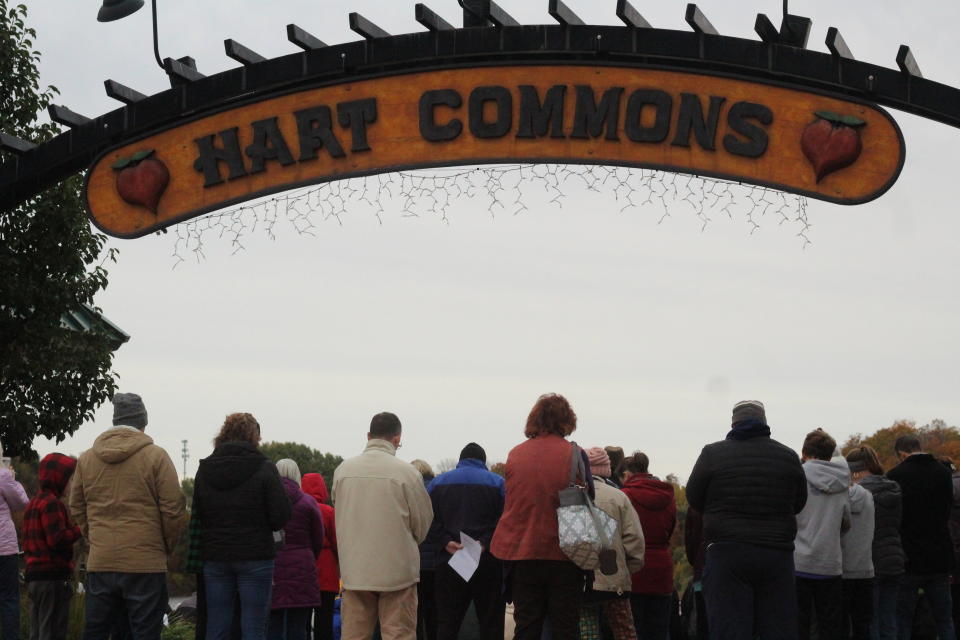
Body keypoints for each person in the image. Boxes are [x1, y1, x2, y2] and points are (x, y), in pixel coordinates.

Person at [69, 392, 187, 640]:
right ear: (143, 422)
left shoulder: (87, 459)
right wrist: (164, 545)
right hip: (145, 561)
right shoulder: (156, 456)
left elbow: (76, 505)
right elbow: (173, 509)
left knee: (97, 632)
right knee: (145, 632)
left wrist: (94, 537)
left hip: (101, 561)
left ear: (115, 421)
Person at [686, 400, 807, 640]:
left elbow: (693, 497)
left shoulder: (712, 454)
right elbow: (799, 503)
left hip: (727, 552)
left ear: (733, 423)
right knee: (777, 629)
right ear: (764, 423)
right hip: (776, 554)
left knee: (729, 628)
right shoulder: (787, 456)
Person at [490, 393, 594, 640]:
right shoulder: (576, 454)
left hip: (523, 551)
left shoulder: (516, 454)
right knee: (565, 627)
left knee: (526, 625)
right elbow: (590, 500)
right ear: (567, 421)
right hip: (566, 553)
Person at [333, 412, 433, 640]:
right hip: (397, 572)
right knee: (398, 635)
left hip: (355, 570)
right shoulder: (408, 474)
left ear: (368, 436)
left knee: (354, 635)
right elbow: (422, 525)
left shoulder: (343, 471)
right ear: (397, 439)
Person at [194, 412, 292, 640]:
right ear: (253, 436)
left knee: (217, 624)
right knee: (254, 627)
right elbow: (281, 516)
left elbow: (198, 512)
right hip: (255, 556)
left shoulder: (205, 469)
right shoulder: (265, 468)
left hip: (216, 556)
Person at [428, 443, 506, 640]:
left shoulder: (437, 483)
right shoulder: (498, 483)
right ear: (482, 461)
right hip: (487, 560)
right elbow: (505, 521)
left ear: (460, 461)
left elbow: (427, 519)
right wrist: (484, 543)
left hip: (449, 560)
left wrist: (445, 541)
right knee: (491, 622)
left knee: (447, 622)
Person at [887, 434, 956, 640]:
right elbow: (946, 511)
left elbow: (896, 518)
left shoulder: (895, 475)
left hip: (909, 558)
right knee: (944, 619)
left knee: (903, 619)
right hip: (939, 556)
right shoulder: (944, 473)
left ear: (902, 453)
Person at [579, 447, 645, 640]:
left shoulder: (571, 497)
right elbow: (634, 539)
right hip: (614, 578)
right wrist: (627, 568)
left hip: (582, 580)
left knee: (588, 632)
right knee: (624, 631)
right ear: (607, 470)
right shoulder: (619, 497)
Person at [794, 430, 851, 640]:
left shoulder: (798, 477)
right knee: (830, 627)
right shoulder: (842, 481)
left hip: (798, 562)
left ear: (805, 452)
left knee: (799, 624)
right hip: (830, 563)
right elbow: (846, 522)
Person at [23, 453, 82, 640]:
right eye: (70, 479)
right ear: (58, 478)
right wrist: (80, 529)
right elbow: (57, 539)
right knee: (53, 631)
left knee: (38, 631)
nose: (71, 484)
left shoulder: (33, 503)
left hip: (34, 577)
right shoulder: (52, 504)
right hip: (52, 578)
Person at [847, 445, 904, 640]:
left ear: (854, 471)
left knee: (870, 620)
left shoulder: (861, 493)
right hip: (894, 558)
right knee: (889, 619)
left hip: (871, 560)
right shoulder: (893, 487)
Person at [619, 451, 676, 640]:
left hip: (635, 570)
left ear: (627, 475)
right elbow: (671, 528)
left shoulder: (625, 496)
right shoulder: (667, 495)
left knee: (635, 631)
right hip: (662, 569)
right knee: (659, 630)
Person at [270, 459, 325, 640]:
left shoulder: (268, 502)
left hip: (273, 569)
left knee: (273, 626)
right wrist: (308, 555)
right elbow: (318, 538)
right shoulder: (308, 502)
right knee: (298, 628)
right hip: (303, 569)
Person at [841, 453, 876, 640]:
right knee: (863, 625)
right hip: (865, 568)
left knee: (840, 624)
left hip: (841, 570)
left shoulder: (837, 499)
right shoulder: (869, 497)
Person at [302, 473, 339, 640]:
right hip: (327, 568)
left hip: (305, 567)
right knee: (324, 619)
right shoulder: (330, 512)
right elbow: (337, 541)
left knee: (303, 618)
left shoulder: (299, 508)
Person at [0, 440, 29, 640]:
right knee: (9, 599)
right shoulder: (2, 476)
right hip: (4, 547)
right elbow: (21, 502)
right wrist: (12, 478)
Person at [411, 460, 439, 640]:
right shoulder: (438, 489)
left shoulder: (411, 491)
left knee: (415, 612)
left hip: (414, 563)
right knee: (434, 611)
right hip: (437, 562)